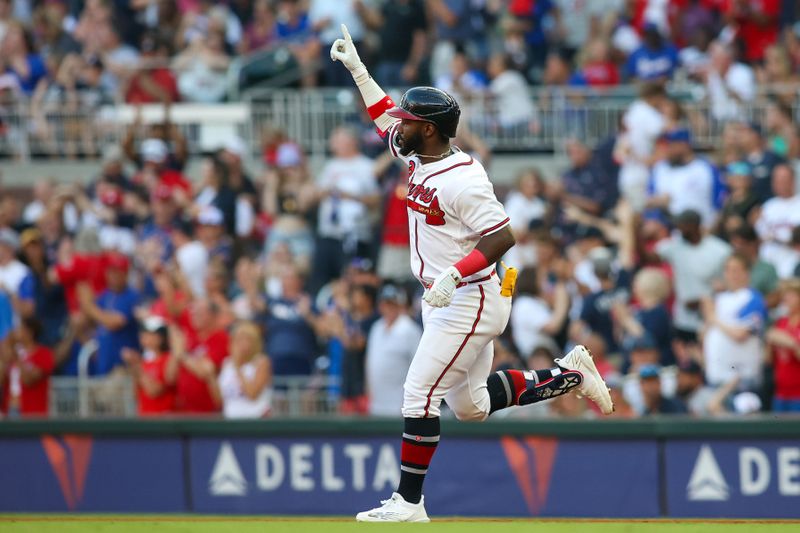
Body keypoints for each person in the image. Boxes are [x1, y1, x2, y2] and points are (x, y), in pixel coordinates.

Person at [330, 24, 613, 522]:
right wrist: (358, 70)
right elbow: (381, 119)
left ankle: (409, 502)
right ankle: (570, 373)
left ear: (431, 129)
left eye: (409, 120)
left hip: (470, 295)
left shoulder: (464, 178)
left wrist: (453, 276)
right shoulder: (419, 152)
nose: (400, 125)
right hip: (451, 294)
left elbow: (503, 236)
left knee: (419, 392)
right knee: (472, 407)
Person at [702, 253, 767, 389]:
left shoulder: (752, 298)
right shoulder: (720, 298)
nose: (731, 275)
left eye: (736, 270)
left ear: (747, 273)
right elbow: (706, 333)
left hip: (742, 378)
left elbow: (740, 334)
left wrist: (713, 317)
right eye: (728, 270)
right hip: (716, 374)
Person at [365, 285, 422, 417]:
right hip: (376, 403)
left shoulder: (410, 329)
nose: (388, 308)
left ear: (399, 305)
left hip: (400, 404)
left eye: (392, 304)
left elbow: (419, 367)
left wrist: (411, 401)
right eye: (385, 304)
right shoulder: (376, 327)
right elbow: (370, 361)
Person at [212, 321, 272, 419]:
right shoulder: (226, 363)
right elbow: (219, 400)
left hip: (255, 419)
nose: (243, 344)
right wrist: (210, 377)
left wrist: (238, 367)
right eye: (239, 340)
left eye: (248, 340)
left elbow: (252, 395)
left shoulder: (261, 362)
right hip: (231, 419)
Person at [121, 316, 175, 415]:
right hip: (146, 417)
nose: (144, 336)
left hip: (162, 420)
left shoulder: (168, 359)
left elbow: (155, 391)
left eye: (150, 334)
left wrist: (136, 365)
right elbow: (136, 394)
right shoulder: (145, 361)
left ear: (161, 337)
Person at [4, 317, 55, 417]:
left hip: (32, 412)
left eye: (20, 329)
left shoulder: (44, 354)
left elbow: (29, 380)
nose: (16, 332)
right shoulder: (13, 353)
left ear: (29, 333)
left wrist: (17, 360)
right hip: (9, 410)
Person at [765, 278, 800, 412]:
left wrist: (790, 342)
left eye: (791, 295)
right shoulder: (781, 323)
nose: (786, 299)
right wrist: (769, 340)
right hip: (780, 393)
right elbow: (768, 359)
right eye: (785, 295)